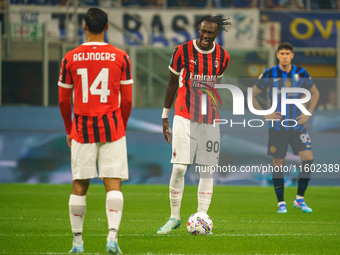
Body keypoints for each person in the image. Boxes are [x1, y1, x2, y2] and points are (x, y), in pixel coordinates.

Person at [58, 8, 132, 254]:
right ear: (107, 26)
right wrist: (120, 125)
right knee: (113, 184)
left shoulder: (70, 57)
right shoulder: (121, 56)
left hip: (81, 129)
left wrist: (69, 129)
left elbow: (63, 100)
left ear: (84, 26)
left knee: (79, 185)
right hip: (112, 128)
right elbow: (128, 100)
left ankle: (77, 242)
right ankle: (112, 237)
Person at [157, 15, 230, 234]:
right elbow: (172, 84)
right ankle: (174, 217)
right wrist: (164, 116)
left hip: (209, 119)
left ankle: (202, 217)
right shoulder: (181, 51)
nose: (206, 36)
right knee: (179, 168)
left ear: (217, 34)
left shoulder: (223, 57)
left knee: (207, 171)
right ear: (198, 30)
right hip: (183, 114)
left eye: (211, 33)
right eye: (203, 31)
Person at [251, 42, 319, 214]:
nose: (285, 56)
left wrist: (308, 113)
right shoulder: (269, 73)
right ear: (278, 55)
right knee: (278, 163)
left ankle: (299, 199)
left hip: (297, 125)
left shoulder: (301, 72)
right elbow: (253, 95)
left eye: (288, 53)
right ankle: (281, 202)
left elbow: (315, 93)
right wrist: (266, 114)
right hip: (277, 126)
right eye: (282, 53)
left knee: (308, 158)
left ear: (292, 55)